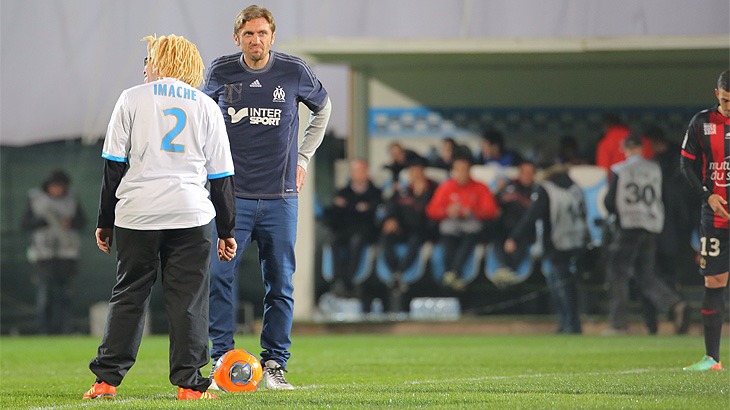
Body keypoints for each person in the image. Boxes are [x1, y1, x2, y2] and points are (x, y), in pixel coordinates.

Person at [85, 34, 236, 401]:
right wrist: (226, 229)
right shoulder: (205, 105)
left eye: (149, 59)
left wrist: (104, 220)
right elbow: (221, 176)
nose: (145, 67)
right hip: (190, 214)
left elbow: (113, 166)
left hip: (137, 213)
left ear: (163, 62)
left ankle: (106, 381)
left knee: (129, 295)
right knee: (189, 301)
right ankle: (189, 385)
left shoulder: (131, 98)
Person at [203, 5, 331, 389]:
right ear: (237, 38)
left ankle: (274, 364)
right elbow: (199, 117)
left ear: (272, 37)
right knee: (218, 277)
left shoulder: (294, 71)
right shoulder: (220, 71)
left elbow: (323, 109)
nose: (255, 40)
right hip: (231, 198)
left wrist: (303, 158)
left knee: (280, 283)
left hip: (281, 197)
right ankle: (222, 361)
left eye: (262, 33)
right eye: (248, 34)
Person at [602, 134, 689, 335]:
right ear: (641, 148)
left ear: (625, 149)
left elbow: (609, 202)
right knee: (646, 274)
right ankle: (674, 303)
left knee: (618, 273)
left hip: (628, 226)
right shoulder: (655, 168)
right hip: (651, 226)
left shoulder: (620, 169)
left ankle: (618, 324)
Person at [679, 70, 730, 371]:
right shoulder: (701, 123)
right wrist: (707, 196)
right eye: (725, 100)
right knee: (714, 282)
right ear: (717, 94)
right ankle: (712, 359)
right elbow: (686, 164)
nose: (729, 106)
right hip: (715, 217)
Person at [504, 165, 590, 334]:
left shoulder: (546, 189)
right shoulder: (575, 188)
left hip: (555, 242)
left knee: (559, 285)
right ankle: (571, 323)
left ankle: (568, 324)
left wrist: (515, 237)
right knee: (568, 284)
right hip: (576, 241)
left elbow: (531, 215)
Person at [21, 170, 86, 334]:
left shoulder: (72, 199)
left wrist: (70, 223)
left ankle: (65, 329)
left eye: (61, 186)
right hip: (43, 255)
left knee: (65, 294)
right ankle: (45, 330)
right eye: (55, 186)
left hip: (67, 254)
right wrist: (45, 221)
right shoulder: (36, 199)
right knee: (45, 293)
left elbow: (82, 221)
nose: (58, 189)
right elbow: (25, 223)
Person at [426, 156, 499, 290]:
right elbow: (431, 210)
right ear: (453, 171)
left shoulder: (480, 187)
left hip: (471, 226)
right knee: (447, 239)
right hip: (451, 226)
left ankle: (453, 273)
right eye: (457, 170)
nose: (461, 173)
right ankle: (453, 274)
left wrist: (473, 211)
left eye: (464, 170)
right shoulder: (446, 187)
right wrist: (446, 211)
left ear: (469, 171)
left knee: (469, 239)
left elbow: (492, 211)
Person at [324, 159, 383, 296]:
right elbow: (335, 214)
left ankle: (348, 281)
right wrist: (357, 208)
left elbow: (372, 214)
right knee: (334, 241)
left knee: (356, 242)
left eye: (362, 171)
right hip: (345, 229)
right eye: (356, 171)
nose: (359, 174)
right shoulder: (342, 192)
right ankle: (338, 281)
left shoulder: (375, 192)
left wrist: (349, 207)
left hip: (364, 231)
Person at [380, 158, 438, 291]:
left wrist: (422, 195)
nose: (415, 176)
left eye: (418, 173)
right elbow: (391, 206)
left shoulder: (433, 190)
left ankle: (401, 272)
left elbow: (430, 215)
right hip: (401, 228)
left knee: (415, 241)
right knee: (386, 236)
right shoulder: (402, 191)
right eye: (412, 173)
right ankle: (394, 271)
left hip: (420, 229)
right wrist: (391, 219)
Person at [494, 161, 536, 270]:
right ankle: (503, 268)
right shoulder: (509, 187)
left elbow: (532, 216)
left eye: (529, 173)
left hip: (525, 229)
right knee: (495, 232)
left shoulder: (538, 191)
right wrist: (499, 190)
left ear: (534, 175)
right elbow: (494, 204)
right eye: (524, 173)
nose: (526, 176)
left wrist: (513, 238)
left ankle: (511, 269)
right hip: (505, 227)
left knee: (521, 236)